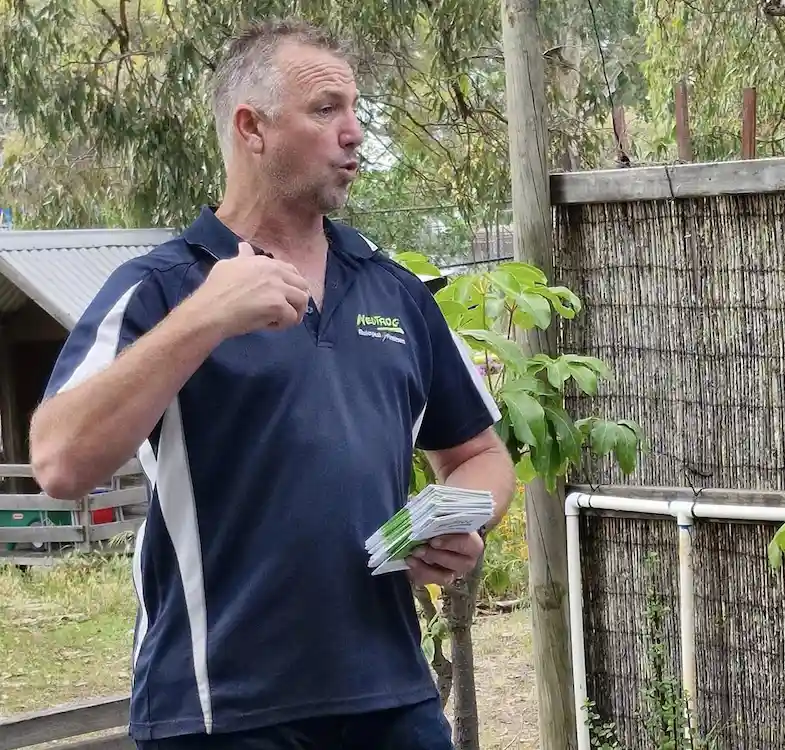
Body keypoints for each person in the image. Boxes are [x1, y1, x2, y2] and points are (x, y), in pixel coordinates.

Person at [28, 17, 516, 750]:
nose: (354, 133)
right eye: (327, 111)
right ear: (251, 128)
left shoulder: (395, 291)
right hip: (219, 712)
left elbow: (480, 453)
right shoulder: (161, 289)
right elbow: (60, 461)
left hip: (393, 700)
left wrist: (461, 524)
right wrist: (206, 318)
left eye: (356, 111)